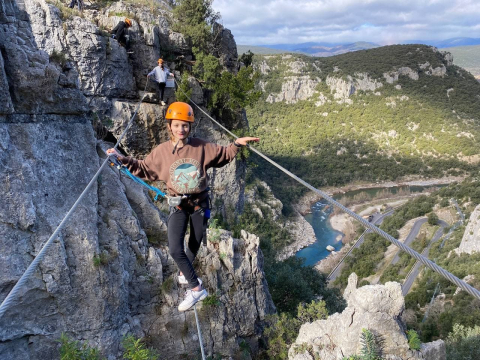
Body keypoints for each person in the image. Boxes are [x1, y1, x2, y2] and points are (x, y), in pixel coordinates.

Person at [106, 102, 259, 311]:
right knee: (175, 249)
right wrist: (121, 159)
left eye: (185, 126)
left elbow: (223, 154)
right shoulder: (162, 152)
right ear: (170, 126)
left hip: (199, 204)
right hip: (179, 205)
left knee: (195, 242)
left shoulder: (201, 147)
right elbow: (144, 168)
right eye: (177, 125)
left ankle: (184, 274)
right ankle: (197, 289)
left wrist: (237, 144)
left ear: (190, 127)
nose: (181, 130)